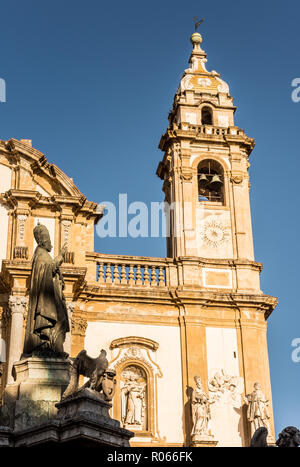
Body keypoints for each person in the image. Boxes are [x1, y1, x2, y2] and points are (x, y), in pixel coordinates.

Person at [23, 223, 69, 355]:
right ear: (43, 241)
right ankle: (48, 343)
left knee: (61, 321)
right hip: (47, 300)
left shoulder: (42, 254)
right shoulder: (41, 254)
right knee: (58, 320)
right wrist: (61, 256)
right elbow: (49, 268)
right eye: (49, 240)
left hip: (51, 297)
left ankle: (54, 347)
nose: (51, 244)